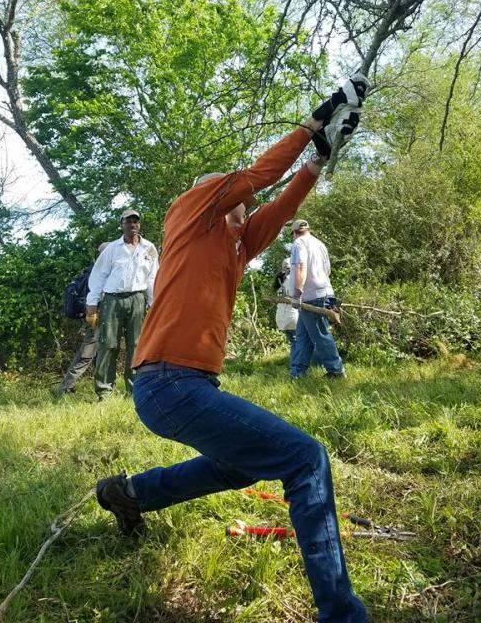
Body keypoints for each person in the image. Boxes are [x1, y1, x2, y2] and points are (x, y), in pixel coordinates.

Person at [94, 76, 370, 623]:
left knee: (242, 465)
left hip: (184, 387)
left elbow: (282, 199)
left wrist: (320, 157)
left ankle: (130, 493)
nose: (246, 200)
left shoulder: (237, 245)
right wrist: (314, 122)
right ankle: (342, 614)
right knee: (304, 456)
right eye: (234, 194)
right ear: (214, 197)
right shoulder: (190, 217)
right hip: (167, 382)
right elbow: (259, 176)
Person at [86, 210, 159, 400]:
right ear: (121, 225)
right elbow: (98, 275)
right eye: (128, 221)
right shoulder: (112, 248)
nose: (132, 224)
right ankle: (104, 391)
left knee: (137, 345)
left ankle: (135, 390)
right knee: (108, 344)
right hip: (113, 300)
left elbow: (152, 279)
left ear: (139, 225)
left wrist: (154, 304)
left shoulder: (149, 248)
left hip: (138, 299)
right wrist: (92, 305)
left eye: (135, 221)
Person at [289, 219, 346, 379]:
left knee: (320, 335)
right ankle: (297, 373)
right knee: (303, 336)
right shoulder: (320, 244)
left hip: (312, 297)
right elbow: (328, 272)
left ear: (294, 233)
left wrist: (296, 294)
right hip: (327, 294)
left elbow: (301, 266)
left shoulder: (299, 243)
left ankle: (336, 371)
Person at [57, 242, 111, 395]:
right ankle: (65, 388)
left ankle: (103, 386)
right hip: (94, 316)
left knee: (99, 353)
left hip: (97, 315)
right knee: (87, 353)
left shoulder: (96, 270)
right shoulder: (98, 272)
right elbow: (96, 297)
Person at [275, 257, 298, 346]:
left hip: (280, 318)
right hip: (292, 316)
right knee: (300, 343)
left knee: (294, 343)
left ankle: (295, 360)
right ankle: (302, 360)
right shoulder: (291, 280)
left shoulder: (279, 281)